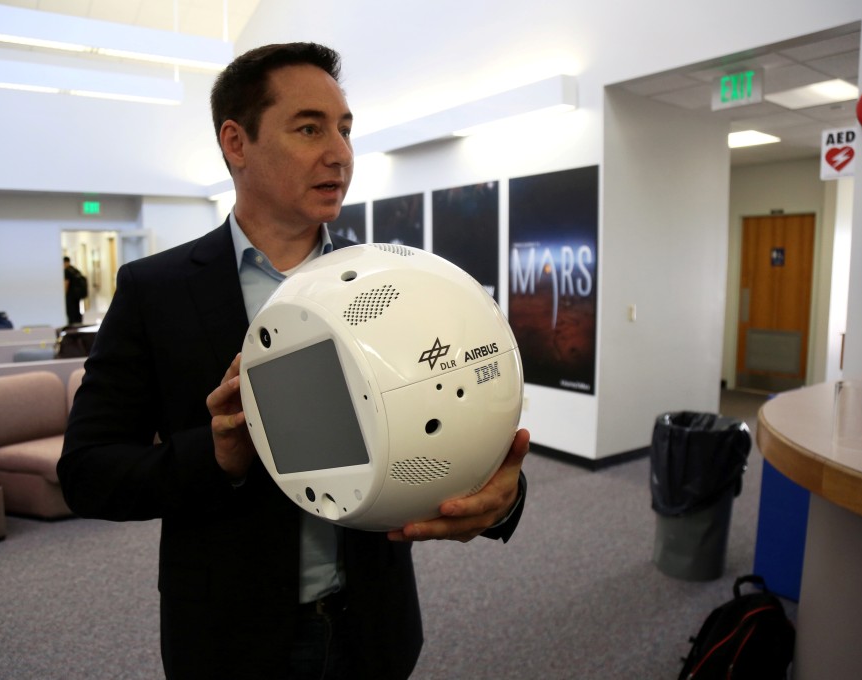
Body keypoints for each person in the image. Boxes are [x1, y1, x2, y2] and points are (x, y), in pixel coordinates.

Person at [57, 42, 530, 680]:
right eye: (309, 128)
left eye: (345, 129)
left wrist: (498, 493)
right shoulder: (156, 291)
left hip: (373, 630)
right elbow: (87, 472)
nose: (339, 152)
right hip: (233, 639)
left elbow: (448, 412)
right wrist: (218, 456)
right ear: (236, 142)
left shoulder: (393, 283)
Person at [63, 256, 85, 325]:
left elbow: (66, 283)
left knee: (71, 312)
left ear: (65, 262)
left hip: (70, 295)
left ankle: (72, 326)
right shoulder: (75, 270)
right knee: (76, 310)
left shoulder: (67, 271)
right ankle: (78, 324)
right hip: (77, 295)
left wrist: (64, 294)